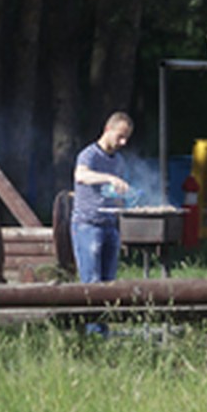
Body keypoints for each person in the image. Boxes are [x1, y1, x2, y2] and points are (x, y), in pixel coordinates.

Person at [71, 111, 134, 294]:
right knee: (92, 284)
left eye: (126, 138)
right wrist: (110, 178)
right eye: (120, 136)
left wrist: (126, 200)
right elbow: (81, 175)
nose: (123, 143)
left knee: (109, 285)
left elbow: (115, 194)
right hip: (88, 226)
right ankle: (92, 322)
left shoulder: (119, 161)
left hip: (110, 227)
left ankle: (103, 323)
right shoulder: (89, 155)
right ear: (108, 129)